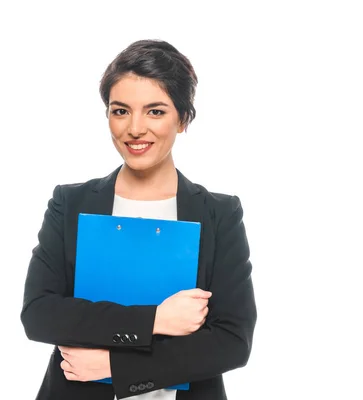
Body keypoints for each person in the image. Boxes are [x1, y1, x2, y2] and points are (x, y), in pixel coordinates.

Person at [20, 39, 257, 400]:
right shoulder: (70, 203)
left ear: (184, 119)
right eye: (120, 111)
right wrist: (154, 321)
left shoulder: (219, 214)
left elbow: (231, 342)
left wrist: (117, 367)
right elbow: (40, 314)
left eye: (155, 111)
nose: (135, 129)